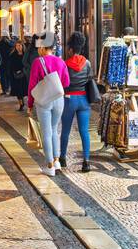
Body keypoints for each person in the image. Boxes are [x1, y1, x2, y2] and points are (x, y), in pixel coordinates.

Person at [27, 37, 70, 176]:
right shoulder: (61, 61)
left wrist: (30, 103)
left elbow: (32, 85)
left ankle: (49, 165)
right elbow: (66, 82)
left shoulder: (38, 62)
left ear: (43, 48)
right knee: (54, 129)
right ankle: (56, 161)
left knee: (46, 132)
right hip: (59, 99)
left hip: (44, 100)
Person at [58, 32, 95, 173]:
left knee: (65, 130)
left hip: (69, 99)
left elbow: (62, 82)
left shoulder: (65, 64)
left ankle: (62, 158)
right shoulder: (88, 63)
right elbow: (89, 79)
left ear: (71, 49)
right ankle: (86, 161)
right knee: (84, 131)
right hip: (84, 100)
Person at [9, 37, 28, 111]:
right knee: (18, 91)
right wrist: (14, 71)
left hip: (24, 75)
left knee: (25, 90)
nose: (18, 47)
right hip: (16, 75)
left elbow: (27, 64)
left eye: (19, 45)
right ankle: (21, 104)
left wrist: (23, 70)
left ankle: (27, 103)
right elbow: (10, 65)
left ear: (22, 46)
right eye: (17, 46)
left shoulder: (25, 55)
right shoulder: (12, 55)